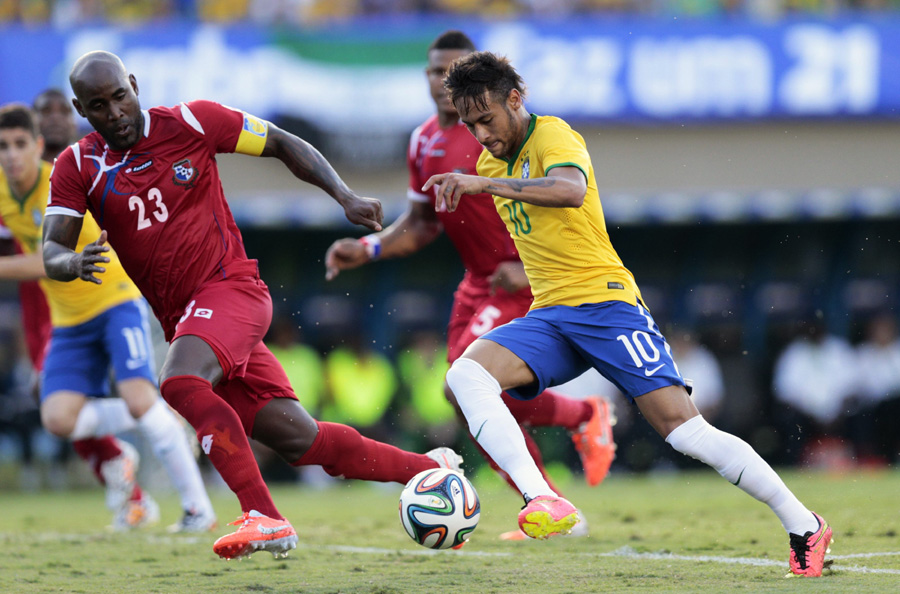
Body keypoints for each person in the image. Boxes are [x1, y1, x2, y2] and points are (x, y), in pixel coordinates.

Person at [43, 50, 463, 560]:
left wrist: (344, 194)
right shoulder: (77, 164)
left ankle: (263, 515)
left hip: (232, 291)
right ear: (80, 109)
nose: (115, 113)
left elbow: (282, 143)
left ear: (133, 85)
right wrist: (70, 263)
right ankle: (428, 468)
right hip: (191, 323)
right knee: (302, 441)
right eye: (98, 105)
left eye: (119, 97)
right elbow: (53, 248)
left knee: (179, 383)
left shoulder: (193, 121)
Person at [426, 51, 833, 578]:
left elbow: (571, 193)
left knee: (684, 432)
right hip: (551, 314)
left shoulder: (553, 137)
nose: (481, 134)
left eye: (487, 118)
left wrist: (487, 185)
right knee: (465, 375)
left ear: (515, 100)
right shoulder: (488, 162)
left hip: (605, 305)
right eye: (470, 124)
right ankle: (543, 499)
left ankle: (804, 524)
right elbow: (546, 239)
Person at [324, 31, 615, 540]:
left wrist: (529, 268)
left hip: (522, 279)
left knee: (464, 386)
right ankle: (577, 431)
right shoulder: (423, 140)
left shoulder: (503, 131)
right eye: (435, 72)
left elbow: (562, 198)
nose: (442, 81)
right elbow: (421, 224)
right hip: (478, 283)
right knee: (468, 393)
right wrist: (367, 248)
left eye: (452, 71)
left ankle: (552, 496)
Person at [0, 102, 216, 531]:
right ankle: (156, 419)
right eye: (2, 146)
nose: (11, 154)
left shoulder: (58, 184)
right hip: (68, 320)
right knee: (58, 419)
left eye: (20, 144)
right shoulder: (4, 195)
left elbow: (49, 261)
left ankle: (199, 510)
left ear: (38, 146)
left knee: (138, 397)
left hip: (114, 301)